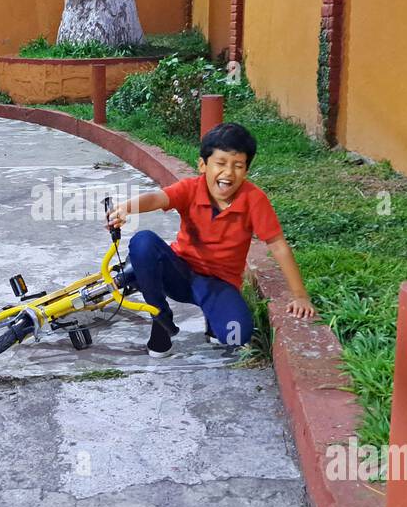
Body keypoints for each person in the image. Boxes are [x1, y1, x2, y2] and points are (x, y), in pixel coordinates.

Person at [104, 122, 316, 357]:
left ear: (246, 171)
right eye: (221, 163)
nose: (228, 173)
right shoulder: (191, 189)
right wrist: (127, 207)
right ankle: (161, 319)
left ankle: (213, 318)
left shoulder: (254, 200)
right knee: (142, 243)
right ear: (203, 165)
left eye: (238, 166)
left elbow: (278, 246)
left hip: (218, 283)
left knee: (236, 337)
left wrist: (300, 296)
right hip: (179, 272)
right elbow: (157, 198)